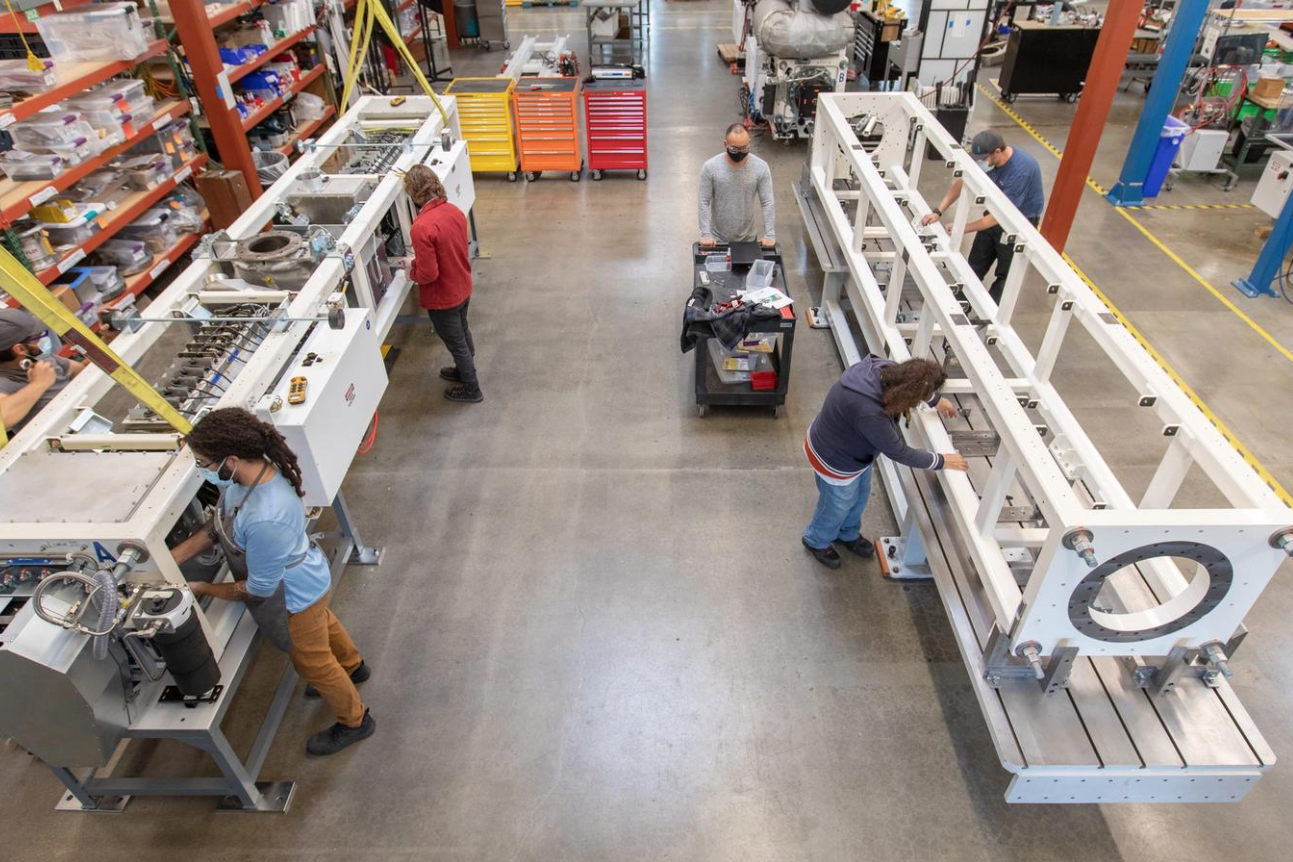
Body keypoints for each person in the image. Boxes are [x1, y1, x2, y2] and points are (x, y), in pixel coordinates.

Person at [170, 408, 375, 756]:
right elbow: (218, 526)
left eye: (204, 463)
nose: (202, 469)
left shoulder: (267, 516)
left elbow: (258, 589)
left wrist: (202, 589)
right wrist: (171, 559)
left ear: (231, 460)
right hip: (309, 582)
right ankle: (353, 667)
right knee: (323, 623)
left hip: (293, 597)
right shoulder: (252, 476)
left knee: (315, 664)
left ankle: (356, 721)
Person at [802, 356, 970, 570]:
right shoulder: (870, 413)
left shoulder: (886, 370)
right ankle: (817, 540)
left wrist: (935, 400)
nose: (918, 403)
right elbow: (900, 452)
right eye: (918, 400)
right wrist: (942, 460)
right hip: (834, 459)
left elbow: (915, 382)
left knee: (859, 497)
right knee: (837, 505)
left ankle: (847, 533)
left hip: (854, 454)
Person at [921, 130, 1045, 303]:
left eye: (983, 158)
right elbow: (963, 182)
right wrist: (937, 212)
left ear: (997, 152)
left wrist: (962, 228)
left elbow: (999, 217)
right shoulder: (990, 161)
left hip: (1017, 225)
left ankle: (991, 315)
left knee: (1005, 276)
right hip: (994, 212)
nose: (981, 163)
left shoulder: (1021, 171)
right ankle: (962, 304)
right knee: (975, 264)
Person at [404, 164, 481, 403]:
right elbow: (449, 249)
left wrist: (411, 271)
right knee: (462, 331)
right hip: (462, 285)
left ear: (413, 194)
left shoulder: (421, 227)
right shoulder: (453, 211)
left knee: (456, 342)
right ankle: (463, 369)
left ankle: (472, 389)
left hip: (444, 297)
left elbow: (429, 274)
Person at [0, 308, 88, 436]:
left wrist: (108, 336)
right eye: (39, 336)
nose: (44, 339)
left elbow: (84, 372)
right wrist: (39, 384)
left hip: (85, 425)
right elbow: (3, 419)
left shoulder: (41, 357)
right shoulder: (5, 381)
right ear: (20, 349)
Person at [698, 123, 776, 248]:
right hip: (717, 240)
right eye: (734, 149)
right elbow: (703, 201)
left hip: (748, 239)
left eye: (744, 149)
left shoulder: (761, 167)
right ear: (725, 144)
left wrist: (770, 234)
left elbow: (767, 202)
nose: (739, 153)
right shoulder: (710, 167)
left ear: (749, 143)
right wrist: (705, 234)